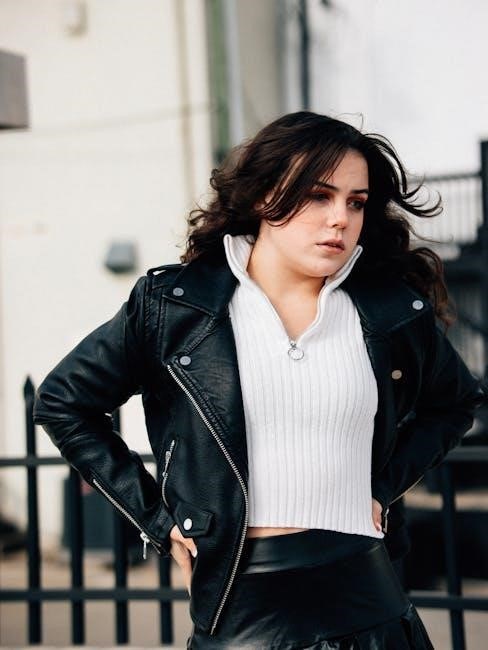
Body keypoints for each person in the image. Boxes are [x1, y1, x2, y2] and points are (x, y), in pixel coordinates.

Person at [33, 111, 486, 649]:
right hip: (243, 607)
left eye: (356, 202)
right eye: (318, 196)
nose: (340, 219)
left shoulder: (389, 312)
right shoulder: (176, 308)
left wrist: (382, 489)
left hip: (369, 600)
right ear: (264, 197)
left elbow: (455, 403)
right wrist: (158, 520)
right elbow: (63, 402)